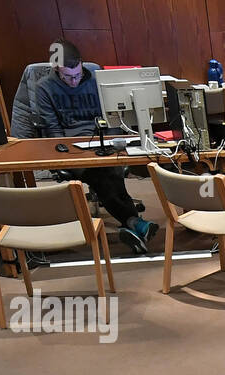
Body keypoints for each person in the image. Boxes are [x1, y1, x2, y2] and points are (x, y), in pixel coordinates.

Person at [34, 39, 160, 254]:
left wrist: (111, 146)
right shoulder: (44, 88)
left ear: (82, 65)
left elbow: (112, 116)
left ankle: (132, 226)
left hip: (103, 140)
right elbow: (53, 130)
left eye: (77, 75)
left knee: (110, 170)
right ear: (56, 70)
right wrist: (67, 152)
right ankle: (135, 223)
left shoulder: (97, 80)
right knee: (102, 175)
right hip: (72, 147)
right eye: (67, 77)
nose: (74, 81)